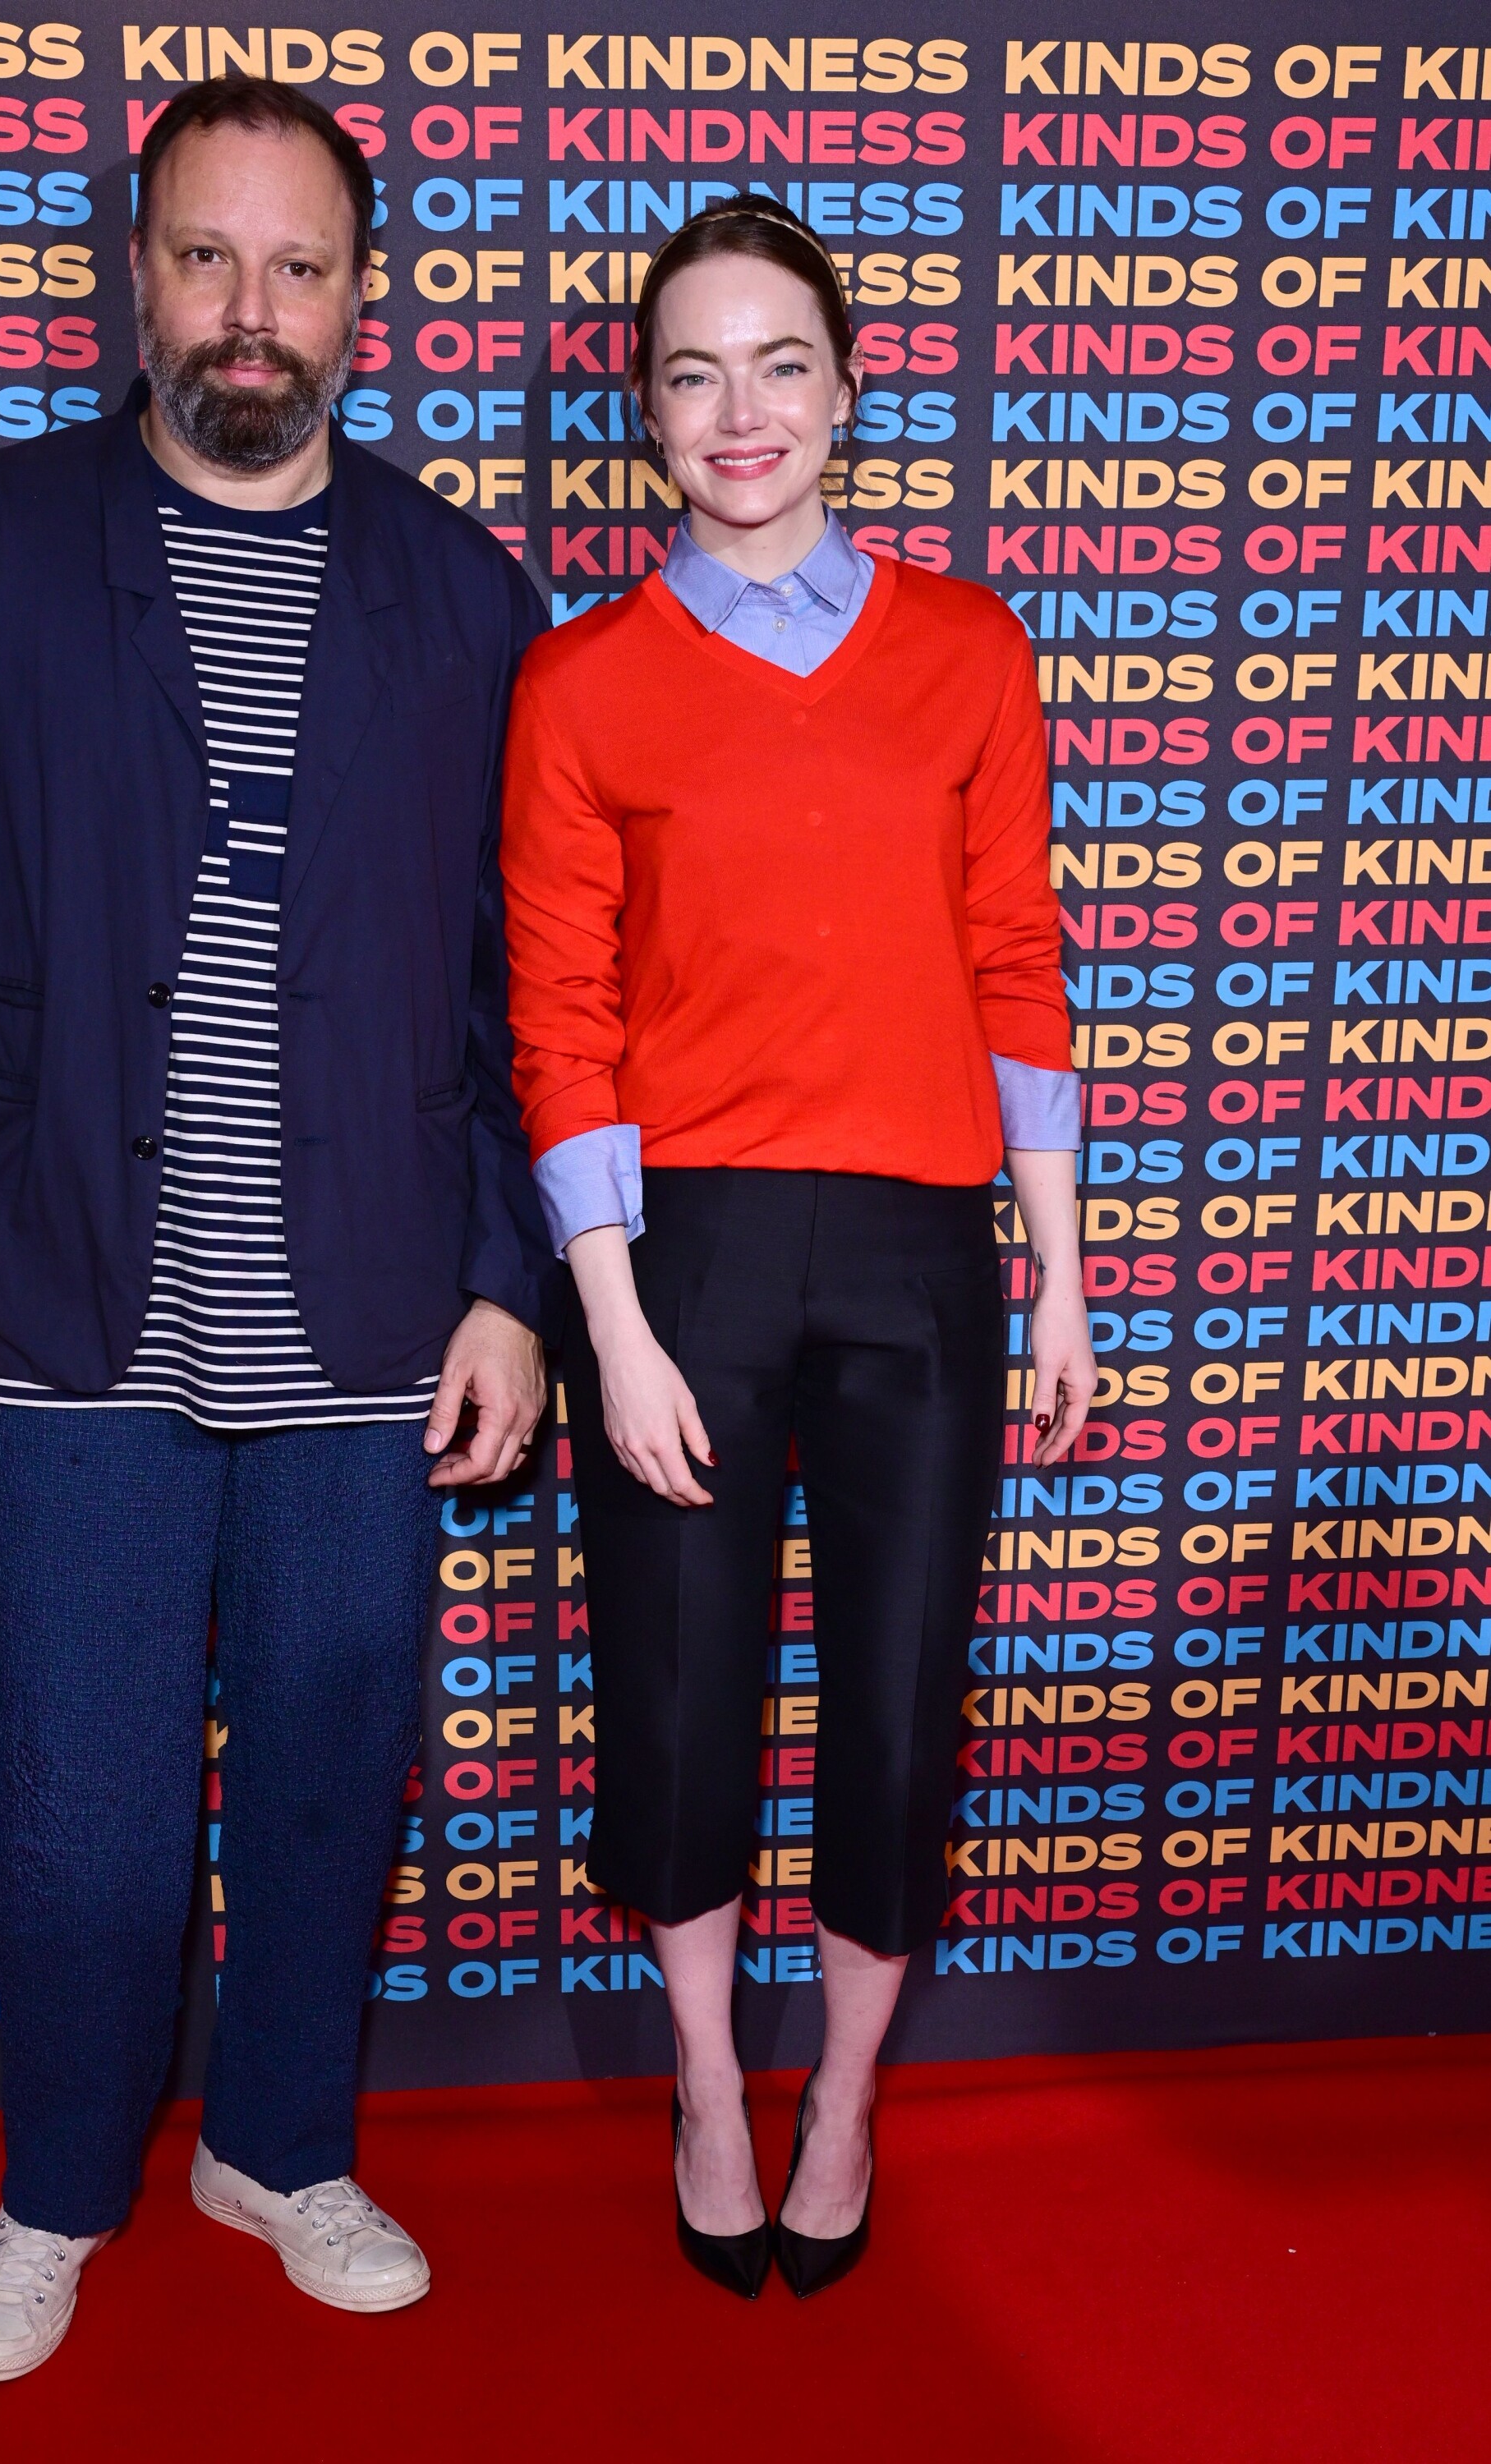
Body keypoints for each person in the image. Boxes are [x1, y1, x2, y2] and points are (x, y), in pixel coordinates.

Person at [0, 76, 555, 2379]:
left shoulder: (462, 593)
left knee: (329, 1778)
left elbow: (530, 986)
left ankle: (282, 2147)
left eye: (297, 267)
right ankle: (57, 2186)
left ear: (361, 298)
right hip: (61, 1298)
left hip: (366, 1307)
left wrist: (508, 1283)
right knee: (86, 1814)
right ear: (135, 270)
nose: (250, 311)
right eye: (207, 256)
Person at [500, 195, 1095, 2301]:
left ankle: (842, 2094)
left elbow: (1016, 959)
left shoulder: (969, 649)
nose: (738, 410)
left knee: (901, 1703)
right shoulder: (578, 682)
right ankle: (704, 2084)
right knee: (675, 1698)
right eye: (694, 372)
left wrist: (1061, 1271)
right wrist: (612, 1323)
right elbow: (561, 1018)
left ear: (846, 390)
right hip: (686, 1266)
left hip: (925, 1255)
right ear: (649, 413)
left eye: (778, 364)